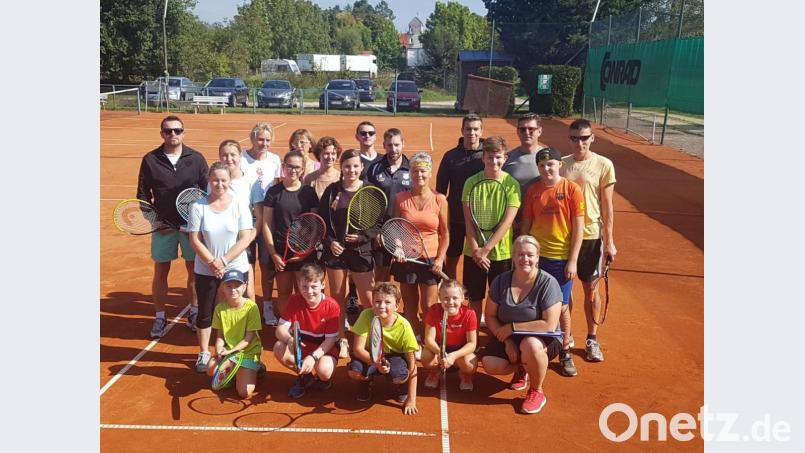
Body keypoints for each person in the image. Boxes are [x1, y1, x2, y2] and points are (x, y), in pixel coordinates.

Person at [136, 115, 208, 339]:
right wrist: (155, 222)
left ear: (183, 132)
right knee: (161, 272)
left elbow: (207, 194)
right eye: (168, 131)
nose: (173, 135)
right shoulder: (150, 159)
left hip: (191, 228)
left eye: (177, 130)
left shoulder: (196, 159)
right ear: (162, 134)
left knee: (194, 272)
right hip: (163, 227)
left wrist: (196, 224)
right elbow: (142, 195)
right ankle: (159, 316)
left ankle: (194, 313)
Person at [520, 147, 584, 377]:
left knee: (562, 306)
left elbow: (578, 227)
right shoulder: (533, 191)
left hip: (561, 259)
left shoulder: (571, 189)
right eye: (542, 165)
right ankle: (535, 350)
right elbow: (527, 223)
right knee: (535, 305)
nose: (546, 169)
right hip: (537, 259)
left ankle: (565, 348)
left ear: (559, 165)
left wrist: (573, 260)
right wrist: (522, 252)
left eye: (551, 164)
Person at [481, 235, 562, 414]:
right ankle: (522, 368)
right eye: (520, 254)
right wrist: (508, 341)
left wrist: (512, 328)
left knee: (530, 345)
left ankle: (536, 391)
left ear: (537, 257)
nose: (525, 259)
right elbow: (490, 316)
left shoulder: (548, 283)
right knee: (489, 363)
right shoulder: (501, 281)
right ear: (513, 256)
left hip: (542, 338)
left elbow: (549, 324)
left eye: (530, 255)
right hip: (510, 336)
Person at [187, 162, 255, 372]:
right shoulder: (198, 206)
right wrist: (212, 263)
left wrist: (223, 261)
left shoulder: (239, 204)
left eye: (223, 180)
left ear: (229, 181)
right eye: (215, 180)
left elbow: (245, 238)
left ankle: (235, 348)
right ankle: (204, 353)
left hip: (234, 266)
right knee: (205, 311)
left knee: (236, 309)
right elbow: (195, 240)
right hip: (206, 268)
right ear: (209, 180)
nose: (219, 184)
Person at [560, 119, 618, 363]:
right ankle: (567, 336)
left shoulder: (604, 165)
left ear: (592, 138)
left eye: (584, 138)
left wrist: (610, 241)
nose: (580, 142)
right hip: (563, 236)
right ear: (570, 139)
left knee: (590, 291)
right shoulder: (562, 165)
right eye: (575, 138)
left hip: (591, 237)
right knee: (565, 292)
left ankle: (592, 339)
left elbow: (607, 207)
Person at [319, 150, 378, 358]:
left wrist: (363, 237)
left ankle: (369, 337)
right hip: (337, 252)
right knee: (338, 299)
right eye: (347, 166)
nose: (351, 170)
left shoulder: (370, 191)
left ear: (361, 167)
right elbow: (322, 222)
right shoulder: (332, 191)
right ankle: (342, 338)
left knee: (368, 300)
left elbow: (378, 223)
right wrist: (330, 242)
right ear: (341, 167)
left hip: (361, 251)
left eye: (355, 166)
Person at [461, 136, 520, 326]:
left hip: (501, 254)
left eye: (498, 157)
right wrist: (476, 250)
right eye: (490, 157)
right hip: (473, 252)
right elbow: (468, 221)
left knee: (500, 299)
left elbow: (507, 222)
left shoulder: (512, 185)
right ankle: (474, 338)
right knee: (475, 298)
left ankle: (498, 339)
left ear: (505, 158)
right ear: (483, 158)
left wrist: (485, 250)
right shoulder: (470, 182)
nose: (493, 161)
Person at [390, 152, 448, 340]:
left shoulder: (440, 199)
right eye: (415, 171)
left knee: (430, 305)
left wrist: (439, 259)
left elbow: (445, 234)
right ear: (411, 174)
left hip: (431, 259)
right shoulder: (400, 198)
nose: (419, 175)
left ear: (430, 173)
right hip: (406, 258)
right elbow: (396, 227)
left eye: (423, 171)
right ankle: (412, 339)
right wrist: (397, 247)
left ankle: (429, 340)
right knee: (410, 304)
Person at [261, 150, 320, 322]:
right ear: (283, 167)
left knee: (305, 291)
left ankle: (305, 325)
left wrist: (306, 251)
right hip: (281, 252)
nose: (292, 170)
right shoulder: (274, 192)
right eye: (289, 166)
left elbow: (314, 224)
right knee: (284, 292)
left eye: (297, 167)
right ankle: (289, 326)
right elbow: (266, 224)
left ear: (302, 170)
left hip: (304, 251)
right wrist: (274, 254)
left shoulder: (309, 192)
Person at [347, 282, 419, 415]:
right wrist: (377, 363)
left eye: (387, 302)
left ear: (397, 306)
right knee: (354, 372)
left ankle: (401, 386)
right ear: (372, 302)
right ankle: (365, 382)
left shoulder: (404, 326)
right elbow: (358, 349)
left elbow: (412, 362)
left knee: (399, 375)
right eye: (378, 301)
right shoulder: (366, 315)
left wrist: (412, 399)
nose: (382, 306)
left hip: (394, 356)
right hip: (370, 355)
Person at [273, 263, 340, 399]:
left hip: (324, 347)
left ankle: (322, 380)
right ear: (298, 284)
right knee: (279, 347)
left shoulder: (332, 306)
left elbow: (330, 340)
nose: (309, 291)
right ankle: (305, 376)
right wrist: (289, 339)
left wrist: (313, 357)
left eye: (314, 287)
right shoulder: (294, 300)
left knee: (324, 371)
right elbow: (280, 329)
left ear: (322, 285)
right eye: (304, 286)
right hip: (302, 344)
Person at [241, 122, 283, 325]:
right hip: (244, 222)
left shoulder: (275, 160)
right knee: (247, 265)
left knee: (267, 266)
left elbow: (277, 187)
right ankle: (248, 307)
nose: (263, 143)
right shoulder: (241, 159)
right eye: (260, 139)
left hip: (267, 221)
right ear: (252, 139)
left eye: (267, 140)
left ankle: (267, 305)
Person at [436, 114, 485, 279]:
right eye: (468, 129)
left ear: (481, 131)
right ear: (462, 130)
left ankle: (471, 291)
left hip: (480, 218)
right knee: (452, 254)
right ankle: (451, 283)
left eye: (476, 129)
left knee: (475, 256)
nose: (472, 132)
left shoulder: (487, 157)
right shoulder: (450, 156)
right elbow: (441, 190)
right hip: (455, 217)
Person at [206, 269, 264, 399]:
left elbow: (248, 339)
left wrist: (230, 351)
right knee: (210, 369)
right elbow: (220, 337)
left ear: (244, 287)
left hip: (248, 352)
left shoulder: (251, 307)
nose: (233, 289)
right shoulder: (219, 309)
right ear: (222, 288)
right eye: (229, 286)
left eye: (237, 286)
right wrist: (219, 350)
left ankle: (258, 368)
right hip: (229, 353)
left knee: (245, 393)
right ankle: (236, 373)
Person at [365, 128, 411, 283]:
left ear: (403, 144)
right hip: (381, 230)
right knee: (381, 275)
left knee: (403, 275)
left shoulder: (412, 169)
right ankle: (379, 305)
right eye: (390, 145)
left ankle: (394, 305)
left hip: (405, 231)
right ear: (384, 145)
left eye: (397, 145)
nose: (393, 149)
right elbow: (368, 203)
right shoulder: (374, 169)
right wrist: (375, 232)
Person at [421, 279, 477, 391]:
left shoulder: (470, 314)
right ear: (440, 298)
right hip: (438, 349)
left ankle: (465, 375)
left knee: (470, 365)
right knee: (426, 357)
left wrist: (453, 356)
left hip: (459, 351)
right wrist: (441, 353)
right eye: (446, 298)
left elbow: (472, 343)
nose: (450, 302)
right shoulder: (434, 310)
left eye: (455, 298)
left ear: (462, 298)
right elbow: (429, 339)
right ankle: (434, 371)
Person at [217, 139, 256, 301]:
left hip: (244, 242)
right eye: (224, 155)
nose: (229, 159)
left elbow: (259, 216)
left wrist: (247, 240)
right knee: (223, 289)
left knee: (247, 289)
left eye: (233, 154)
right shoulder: (215, 181)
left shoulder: (251, 182)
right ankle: (222, 324)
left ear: (241, 156)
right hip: (220, 243)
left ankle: (251, 325)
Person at [502, 113, 546, 230]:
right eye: (522, 129)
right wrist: (510, 221)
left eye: (531, 129)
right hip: (512, 222)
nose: (527, 132)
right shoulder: (508, 158)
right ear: (518, 131)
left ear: (539, 131)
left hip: (540, 223)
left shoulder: (550, 158)